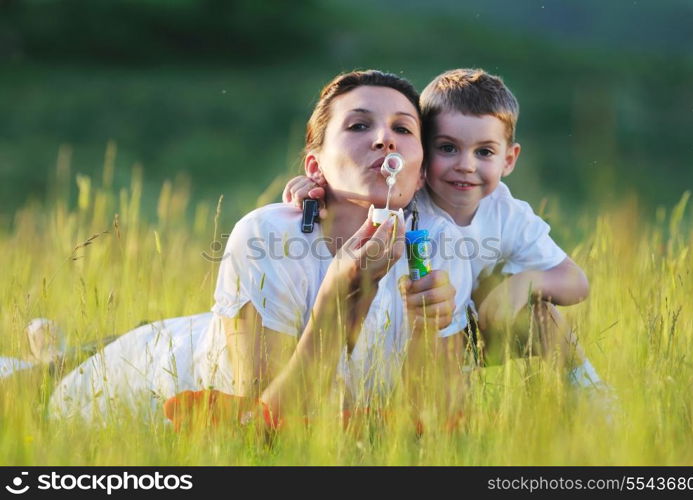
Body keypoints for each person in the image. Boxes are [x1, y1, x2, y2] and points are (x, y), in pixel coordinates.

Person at [49, 70, 472, 428]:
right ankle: (52, 360)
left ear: (419, 177)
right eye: (359, 125)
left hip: (212, 330)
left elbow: (438, 425)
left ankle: (54, 353)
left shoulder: (441, 245)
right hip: (136, 383)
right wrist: (340, 300)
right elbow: (265, 425)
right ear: (315, 166)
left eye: (403, 128)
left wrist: (425, 331)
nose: (385, 139)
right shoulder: (267, 235)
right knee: (31, 385)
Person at [283, 68, 608, 391]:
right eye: (448, 148)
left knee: (542, 315)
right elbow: (356, 196)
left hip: (478, 325)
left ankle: (592, 395)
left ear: (509, 159)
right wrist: (315, 185)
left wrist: (524, 283)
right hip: (409, 333)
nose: (465, 165)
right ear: (422, 153)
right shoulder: (406, 197)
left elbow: (576, 282)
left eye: (484, 152)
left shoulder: (506, 213)